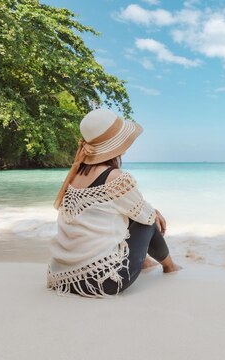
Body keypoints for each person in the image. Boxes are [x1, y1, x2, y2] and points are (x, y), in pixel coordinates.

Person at [47, 108, 180, 297]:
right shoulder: (115, 177)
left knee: (132, 213)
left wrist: (148, 210)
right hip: (102, 281)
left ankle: (145, 262)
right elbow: (146, 216)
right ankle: (170, 266)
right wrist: (154, 212)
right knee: (147, 221)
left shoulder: (73, 177)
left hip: (64, 278)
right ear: (114, 145)